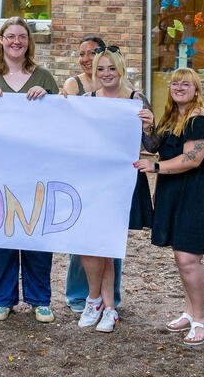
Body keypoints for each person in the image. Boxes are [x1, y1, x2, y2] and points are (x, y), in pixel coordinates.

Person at [0, 16, 59, 324]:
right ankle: (2, 299)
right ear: (1, 40)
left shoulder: (43, 76)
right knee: (2, 233)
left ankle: (40, 299)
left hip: (36, 170)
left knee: (36, 233)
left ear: (28, 41)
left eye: (22, 36)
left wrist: (48, 100)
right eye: (10, 36)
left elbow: (60, 122)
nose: (16, 41)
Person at [135, 68, 204, 346]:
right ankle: (190, 312)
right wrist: (148, 127)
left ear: (196, 88)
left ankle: (201, 320)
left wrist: (155, 167)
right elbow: (156, 146)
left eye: (185, 84)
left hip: (198, 190)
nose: (179, 87)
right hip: (174, 189)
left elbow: (192, 159)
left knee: (189, 259)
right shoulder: (173, 116)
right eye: (175, 83)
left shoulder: (200, 118)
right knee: (181, 257)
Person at [76, 46, 154, 332]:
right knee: (89, 243)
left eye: (111, 68)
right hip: (91, 179)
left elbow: (152, 146)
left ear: (121, 70)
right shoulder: (87, 100)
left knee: (106, 244)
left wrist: (149, 127)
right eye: (100, 69)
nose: (106, 74)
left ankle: (105, 307)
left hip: (122, 181)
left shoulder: (136, 99)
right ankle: (97, 301)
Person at [61, 35, 123, 313]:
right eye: (82, 54)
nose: (86, 58)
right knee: (83, 236)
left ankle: (110, 299)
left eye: (93, 53)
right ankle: (80, 295)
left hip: (112, 173)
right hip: (83, 170)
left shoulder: (124, 91)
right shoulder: (74, 86)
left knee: (110, 237)